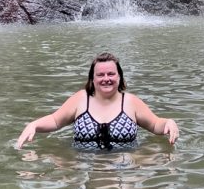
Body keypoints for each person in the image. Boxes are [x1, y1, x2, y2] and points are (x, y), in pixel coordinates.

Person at [15, 52, 180, 150]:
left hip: (125, 167)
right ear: (92, 79)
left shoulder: (131, 102)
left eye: (111, 74)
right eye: (100, 75)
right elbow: (55, 120)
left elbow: (155, 124)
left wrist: (168, 122)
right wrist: (33, 125)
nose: (106, 79)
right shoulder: (81, 99)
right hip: (85, 165)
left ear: (119, 76)